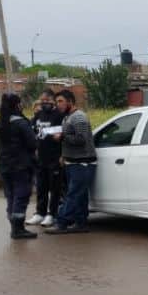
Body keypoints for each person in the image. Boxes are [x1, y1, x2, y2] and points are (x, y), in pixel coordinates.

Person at [46, 89, 95, 235]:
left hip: (82, 163)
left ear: (70, 102)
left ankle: (61, 222)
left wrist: (61, 138)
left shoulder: (79, 118)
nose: (58, 105)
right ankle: (81, 222)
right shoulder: (67, 117)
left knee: (73, 194)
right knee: (79, 194)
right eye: (57, 102)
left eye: (60, 101)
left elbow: (81, 139)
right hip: (72, 162)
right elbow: (68, 139)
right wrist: (63, 155)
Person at [0, 93, 38, 240]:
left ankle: (14, 227)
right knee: (22, 194)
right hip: (21, 165)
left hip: (3, 165)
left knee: (10, 195)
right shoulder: (21, 123)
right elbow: (33, 144)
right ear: (17, 105)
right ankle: (18, 229)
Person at [27, 89, 63, 227]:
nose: (44, 103)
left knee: (54, 189)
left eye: (47, 101)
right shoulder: (38, 115)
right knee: (41, 188)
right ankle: (39, 213)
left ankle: (52, 214)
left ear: (53, 101)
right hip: (40, 158)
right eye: (42, 101)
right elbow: (32, 131)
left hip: (54, 158)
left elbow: (61, 133)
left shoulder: (58, 115)